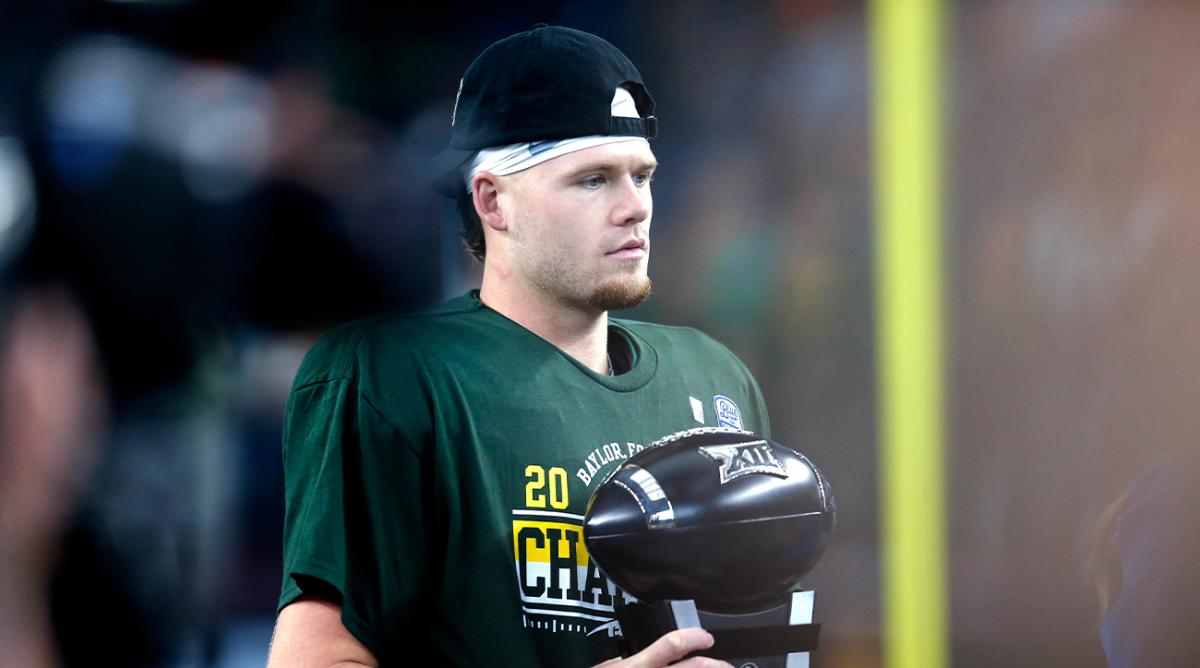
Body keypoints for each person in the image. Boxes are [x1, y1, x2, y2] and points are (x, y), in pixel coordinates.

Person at [268, 25, 769, 667]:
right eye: (593, 180)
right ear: (492, 200)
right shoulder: (397, 376)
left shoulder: (712, 378)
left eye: (641, 176)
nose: (634, 207)